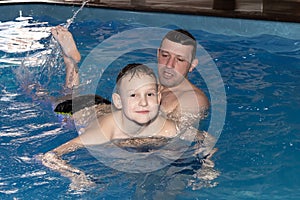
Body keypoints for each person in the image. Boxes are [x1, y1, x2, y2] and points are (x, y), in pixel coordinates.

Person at [41, 63, 179, 189]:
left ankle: (72, 70)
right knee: (47, 99)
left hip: (105, 105)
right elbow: (49, 156)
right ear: (119, 101)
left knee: (71, 92)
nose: (143, 102)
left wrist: (202, 167)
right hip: (75, 110)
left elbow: (200, 139)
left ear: (159, 98)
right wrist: (76, 176)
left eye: (149, 94)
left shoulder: (166, 127)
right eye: (133, 95)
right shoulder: (105, 131)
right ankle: (68, 66)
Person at [52, 26, 209, 128]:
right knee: (54, 104)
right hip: (96, 110)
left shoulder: (192, 99)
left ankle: (70, 63)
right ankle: (70, 63)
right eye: (165, 55)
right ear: (157, 53)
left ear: (193, 64)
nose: (169, 64)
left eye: (180, 60)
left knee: (53, 101)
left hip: (97, 115)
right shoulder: (148, 77)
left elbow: (173, 138)